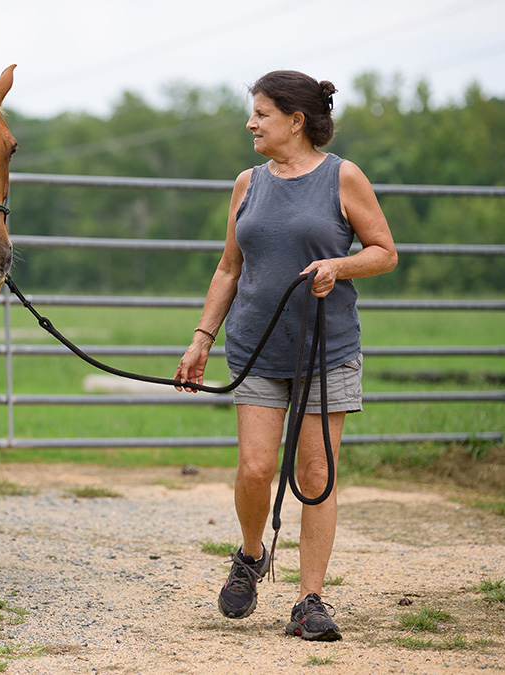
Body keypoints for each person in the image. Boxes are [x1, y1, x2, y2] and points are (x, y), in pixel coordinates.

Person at [174, 70, 396, 641]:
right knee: (254, 468)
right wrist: (202, 337)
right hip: (254, 350)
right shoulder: (247, 183)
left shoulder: (343, 177)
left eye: (262, 114)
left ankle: (309, 599)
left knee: (316, 473)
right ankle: (251, 556)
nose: (251, 123)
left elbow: (384, 252)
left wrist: (338, 266)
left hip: (328, 348)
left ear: (296, 121)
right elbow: (229, 267)